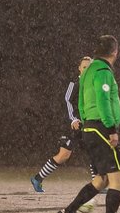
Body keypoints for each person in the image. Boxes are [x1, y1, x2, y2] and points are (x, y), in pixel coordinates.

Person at [55, 35, 120, 213]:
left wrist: (86, 122)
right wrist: (111, 128)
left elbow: (80, 101)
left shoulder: (88, 71)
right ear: (115, 52)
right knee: (118, 178)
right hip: (101, 129)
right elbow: (103, 100)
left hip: (89, 127)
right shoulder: (103, 71)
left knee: (101, 179)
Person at [30, 56, 92, 192]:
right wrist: (74, 119)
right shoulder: (75, 83)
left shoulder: (93, 85)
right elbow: (67, 101)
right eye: (84, 67)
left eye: (90, 67)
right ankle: (37, 178)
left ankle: (97, 183)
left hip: (86, 124)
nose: (87, 70)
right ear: (79, 69)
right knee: (63, 155)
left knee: (93, 149)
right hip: (71, 125)